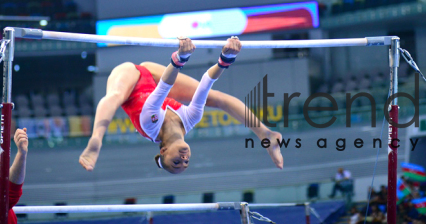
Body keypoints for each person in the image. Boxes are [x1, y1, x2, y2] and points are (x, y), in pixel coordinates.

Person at [78, 37, 284, 174]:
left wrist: (180, 58)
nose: (184, 159)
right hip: (156, 74)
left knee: (114, 96)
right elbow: (206, 83)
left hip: (133, 81)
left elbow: (163, 89)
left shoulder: (151, 126)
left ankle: (96, 140)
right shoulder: (191, 119)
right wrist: (226, 58)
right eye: (186, 163)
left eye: (177, 162)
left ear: (164, 150)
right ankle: (266, 134)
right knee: (216, 97)